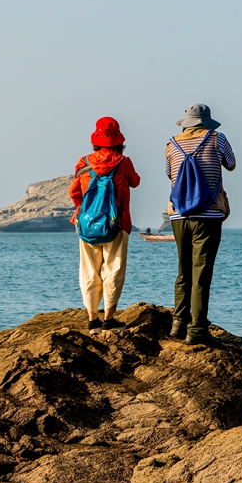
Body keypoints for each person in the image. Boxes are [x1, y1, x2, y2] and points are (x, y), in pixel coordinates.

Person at [165, 104, 236, 346]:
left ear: (186, 122)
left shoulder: (171, 144)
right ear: (205, 121)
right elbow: (231, 164)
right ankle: (196, 330)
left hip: (178, 215)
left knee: (183, 270)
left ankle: (178, 323)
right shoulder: (217, 139)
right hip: (208, 214)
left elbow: (169, 174)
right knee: (201, 272)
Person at [70, 117, 141, 335]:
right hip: (116, 223)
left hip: (87, 224)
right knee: (114, 269)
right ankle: (108, 320)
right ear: (119, 140)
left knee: (89, 270)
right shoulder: (123, 162)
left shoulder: (83, 163)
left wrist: (85, 212)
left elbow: (74, 192)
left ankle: (93, 321)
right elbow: (135, 181)